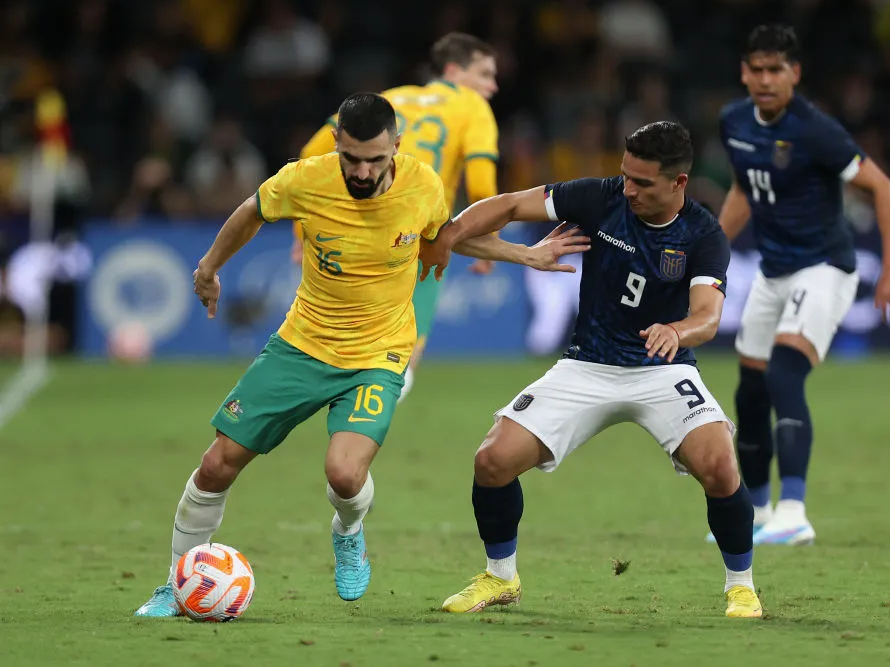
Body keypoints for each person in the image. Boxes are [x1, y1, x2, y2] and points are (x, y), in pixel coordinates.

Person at [134, 93, 586, 617]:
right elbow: (251, 213)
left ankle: (348, 530)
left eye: (376, 159)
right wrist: (209, 268)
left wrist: (521, 253)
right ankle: (175, 583)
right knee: (217, 465)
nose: (364, 170)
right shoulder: (305, 179)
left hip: (379, 354)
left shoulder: (423, 185)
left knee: (345, 475)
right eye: (352, 158)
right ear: (337, 145)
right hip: (301, 346)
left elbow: (446, 239)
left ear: (396, 146)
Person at [419, 121, 764, 619]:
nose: (629, 190)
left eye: (642, 183)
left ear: (678, 183)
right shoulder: (601, 198)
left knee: (720, 465)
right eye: (626, 175)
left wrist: (677, 331)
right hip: (587, 365)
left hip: (662, 369)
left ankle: (742, 586)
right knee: (492, 461)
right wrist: (448, 235)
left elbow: (708, 317)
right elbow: (512, 204)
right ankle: (500, 577)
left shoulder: (703, 235)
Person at [716, 25, 890, 546]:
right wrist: (711, 248)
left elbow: (883, 190)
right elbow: (743, 188)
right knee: (750, 391)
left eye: (775, 69)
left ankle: (794, 511)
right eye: (756, 69)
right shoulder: (733, 122)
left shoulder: (815, 130)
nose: (764, 79)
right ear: (743, 72)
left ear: (794, 74)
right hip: (774, 270)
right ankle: (755, 512)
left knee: (784, 375)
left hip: (825, 267)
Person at [293, 32, 501, 403]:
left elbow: (309, 155)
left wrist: (300, 235)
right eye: (485, 74)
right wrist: (490, 243)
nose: (493, 85)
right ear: (454, 71)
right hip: (417, 238)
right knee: (398, 367)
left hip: (353, 231)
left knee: (339, 348)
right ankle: (354, 448)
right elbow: (482, 184)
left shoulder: (388, 98)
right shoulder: (471, 106)